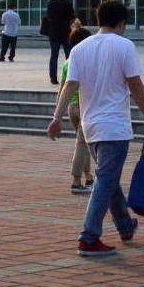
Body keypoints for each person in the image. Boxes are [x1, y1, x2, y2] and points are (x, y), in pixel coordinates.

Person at [47, 0, 144, 259]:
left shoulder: (80, 48)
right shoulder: (124, 46)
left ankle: (126, 227)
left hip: (91, 126)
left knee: (109, 180)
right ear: (121, 23)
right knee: (106, 180)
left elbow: (69, 86)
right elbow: (136, 86)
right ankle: (89, 237)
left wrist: (57, 117)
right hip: (115, 127)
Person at [60, 27, 94, 194]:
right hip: (83, 107)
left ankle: (88, 176)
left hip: (71, 108)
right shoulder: (84, 61)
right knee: (82, 144)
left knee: (85, 143)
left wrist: (58, 110)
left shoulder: (67, 62)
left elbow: (63, 87)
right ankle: (76, 180)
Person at [40, 0, 75, 87]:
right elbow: (72, 18)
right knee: (69, 56)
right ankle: (70, 76)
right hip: (66, 33)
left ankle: (53, 78)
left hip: (53, 32)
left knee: (54, 56)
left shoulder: (51, 3)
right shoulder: (68, 4)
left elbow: (49, 17)